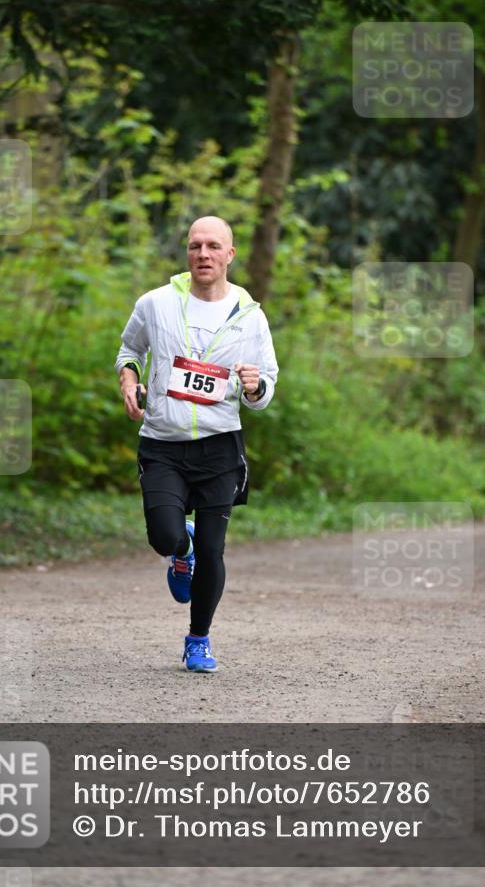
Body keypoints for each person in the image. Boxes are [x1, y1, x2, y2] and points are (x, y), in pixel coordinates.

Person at [115, 216, 278, 673]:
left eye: (212, 246)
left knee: (214, 549)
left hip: (219, 447)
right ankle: (178, 551)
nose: (202, 254)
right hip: (163, 444)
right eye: (194, 246)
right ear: (187, 254)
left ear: (230, 255)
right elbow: (129, 352)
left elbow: (267, 385)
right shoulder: (156, 304)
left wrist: (254, 386)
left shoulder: (250, 317)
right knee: (164, 535)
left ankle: (198, 640)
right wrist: (129, 381)